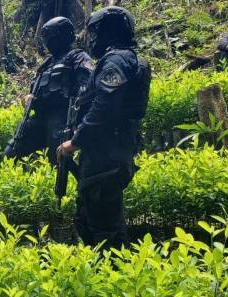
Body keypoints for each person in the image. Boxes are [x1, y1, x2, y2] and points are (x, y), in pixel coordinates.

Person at [57, 6, 151, 249]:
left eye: (95, 31)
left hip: (107, 155)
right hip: (106, 153)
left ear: (109, 31)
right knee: (88, 218)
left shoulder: (117, 60)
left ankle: (117, 280)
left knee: (106, 229)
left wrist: (76, 141)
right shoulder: (123, 59)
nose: (92, 38)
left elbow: (104, 107)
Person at [6, 17, 92, 164]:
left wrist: (77, 122)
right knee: (10, 151)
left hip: (62, 117)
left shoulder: (77, 57)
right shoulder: (46, 64)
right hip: (40, 117)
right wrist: (28, 98)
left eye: (50, 37)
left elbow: (86, 88)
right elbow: (34, 90)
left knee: (58, 160)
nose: (47, 42)